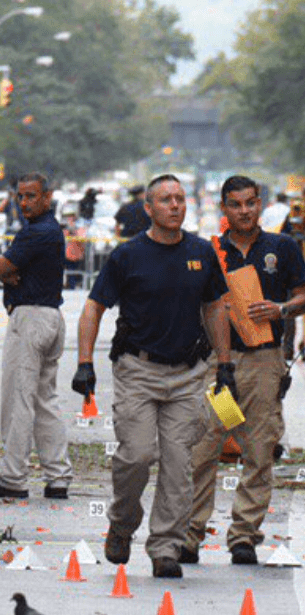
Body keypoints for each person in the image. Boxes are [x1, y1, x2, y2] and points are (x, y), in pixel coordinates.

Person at [73, 174, 232, 579]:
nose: (175, 205)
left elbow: (215, 307)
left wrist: (225, 364)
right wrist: (85, 362)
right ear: (149, 208)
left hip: (188, 374)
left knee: (180, 466)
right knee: (137, 455)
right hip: (138, 371)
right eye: (166, 200)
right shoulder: (128, 256)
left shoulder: (201, 251)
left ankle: (165, 547)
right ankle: (122, 524)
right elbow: (93, 308)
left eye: (180, 199)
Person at [182, 176, 305, 566]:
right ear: (224, 209)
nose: (244, 211)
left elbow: (303, 295)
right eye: (236, 204)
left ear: (260, 203)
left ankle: (244, 536)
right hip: (219, 363)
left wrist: (282, 309)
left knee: (258, 449)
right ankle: (189, 533)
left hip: (264, 362)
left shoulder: (282, 247)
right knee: (205, 446)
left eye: (251, 203)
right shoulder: (209, 250)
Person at [0, 173, 73, 502]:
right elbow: (7, 267)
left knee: (18, 400)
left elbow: (1, 266)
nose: (25, 202)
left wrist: (3, 268)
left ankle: (13, 477)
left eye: (32, 196)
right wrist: (7, 269)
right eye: (20, 196)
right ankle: (57, 476)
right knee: (45, 401)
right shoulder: (48, 230)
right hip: (50, 317)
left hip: (31, 317)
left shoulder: (37, 231)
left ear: (47, 197)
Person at [62, 206, 87, 290]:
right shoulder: (65, 228)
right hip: (67, 255)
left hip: (77, 255)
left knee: (75, 274)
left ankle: (74, 287)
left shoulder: (80, 226)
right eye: (68, 216)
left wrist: (73, 230)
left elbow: (82, 237)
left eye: (71, 216)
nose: (69, 218)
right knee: (69, 274)